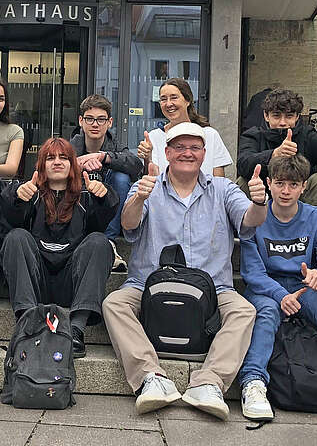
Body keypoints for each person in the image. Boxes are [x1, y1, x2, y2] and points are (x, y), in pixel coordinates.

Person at [103, 122, 267, 420]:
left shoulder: (223, 189)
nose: (187, 153)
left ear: (204, 154)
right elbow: (128, 225)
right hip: (149, 285)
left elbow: (249, 221)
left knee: (244, 310)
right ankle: (151, 377)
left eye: (194, 148)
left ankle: (209, 382)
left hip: (213, 289)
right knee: (114, 303)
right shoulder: (148, 185)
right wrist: (139, 197)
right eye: (179, 147)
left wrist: (259, 201)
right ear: (167, 152)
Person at [238, 155, 317, 421]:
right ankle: (253, 382)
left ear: (304, 186)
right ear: (269, 183)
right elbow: (252, 272)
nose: (286, 191)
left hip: (304, 287)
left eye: (293, 185)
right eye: (280, 183)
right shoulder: (255, 217)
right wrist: (280, 295)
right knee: (267, 315)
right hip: (267, 288)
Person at [0, 137, 118, 358]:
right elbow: (11, 220)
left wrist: (103, 198)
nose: (57, 162)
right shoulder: (29, 191)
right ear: (41, 165)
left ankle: (76, 330)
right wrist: (17, 198)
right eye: (50, 158)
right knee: (16, 237)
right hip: (36, 281)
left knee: (99, 242)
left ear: (73, 164)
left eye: (64, 158)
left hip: (72, 282)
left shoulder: (86, 194)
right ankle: (28, 325)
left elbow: (100, 224)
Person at [237, 88, 317, 211]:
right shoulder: (253, 135)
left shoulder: (306, 136)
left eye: (289, 116)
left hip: (301, 203)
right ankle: (247, 230)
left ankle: (314, 230)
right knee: (243, 182)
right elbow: (243, 163)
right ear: (266, 116)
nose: (283, 122)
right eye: (276, 116)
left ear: (297, 116)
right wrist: (273, 155)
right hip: (263, 202)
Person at [70, 94, 142, 269]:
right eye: (90, 119)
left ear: (109, 122)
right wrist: (76, 167)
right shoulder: (70, 146)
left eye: (101, 119)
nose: (95, 124)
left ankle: (109, 242)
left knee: (121, 176)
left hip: (108, 208)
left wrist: (105, 158)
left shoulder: (115, 145)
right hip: (80, 209)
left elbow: (136, 166)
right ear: (81, 121)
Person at [137, 78, 232, 176]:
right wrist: (147, 158)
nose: (169, 104)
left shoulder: (210, 135)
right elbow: (151, 180)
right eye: (163, 99)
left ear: (188, 101)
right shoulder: (153, 137)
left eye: (174, 97)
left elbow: (219, 181)